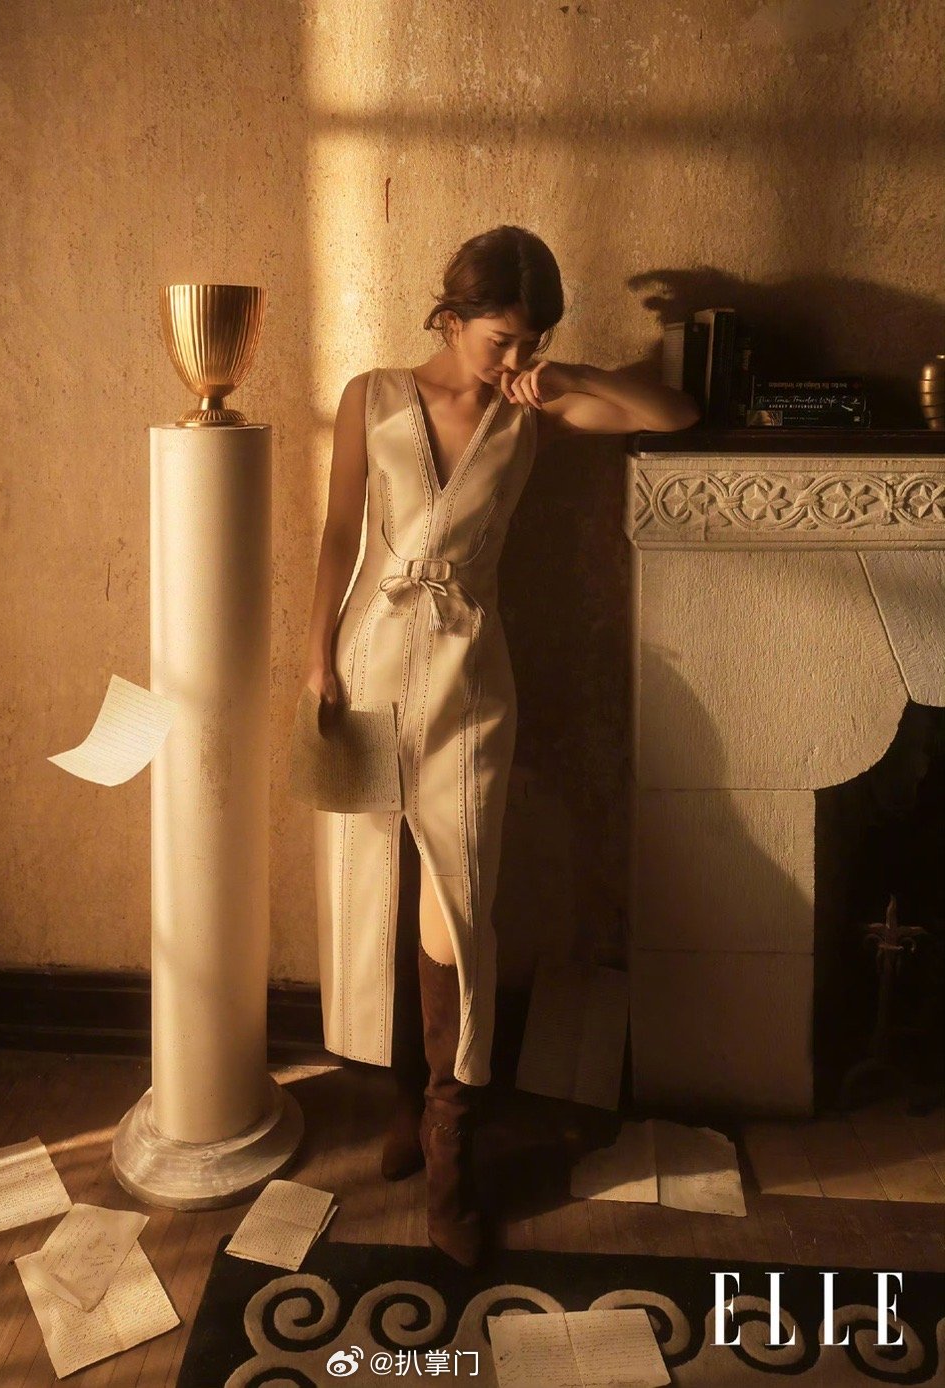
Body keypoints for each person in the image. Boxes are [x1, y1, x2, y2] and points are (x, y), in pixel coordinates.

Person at [298, 225, 699, 1267]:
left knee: (457, 900)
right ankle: (399, 1096)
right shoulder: (371, 395)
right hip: (369, 663)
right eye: (500, 339)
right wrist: (315, 652)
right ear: (451, 317)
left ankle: (450, 1157)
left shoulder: (535, 408)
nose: (512, 357)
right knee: (374, 887)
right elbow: (339, 532)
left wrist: (565, 374)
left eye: (530, 341)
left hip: (469, 676)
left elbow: (675, 413)